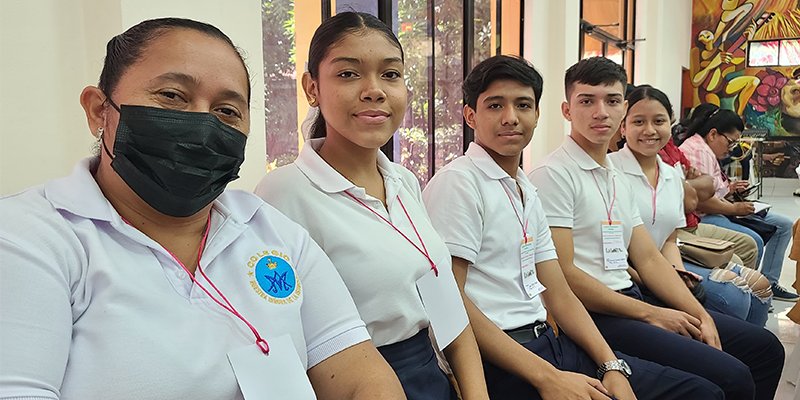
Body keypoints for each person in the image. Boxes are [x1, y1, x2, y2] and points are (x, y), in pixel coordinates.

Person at [0, 18, 406, 400]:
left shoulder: (271, 231)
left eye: (227, 111)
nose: (201, 124)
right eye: (172, 96)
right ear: (98, 110)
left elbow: (361, 376)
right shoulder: (30, 238)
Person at [423, 55, 723, 399]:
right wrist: (547, 377)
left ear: (537, 114)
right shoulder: (460, 183)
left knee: (702, 391)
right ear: (471, 116)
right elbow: (448, 301)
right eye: (495, 105)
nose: (511, 118)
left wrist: (610, 365)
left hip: (551, 341)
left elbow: (558, 290)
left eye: (523, 105)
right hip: (504, 357)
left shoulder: (522, 187)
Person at [255, 12, 488, 400]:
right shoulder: (283, 194)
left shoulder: (404, 182)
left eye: (391, 74)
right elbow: (277, 342)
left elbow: (445, 304)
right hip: (352, 383)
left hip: (430, 372)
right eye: (348, 74)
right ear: (312, 88)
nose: (374, 90)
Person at [529, 56, 784, 400]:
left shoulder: (615, 173)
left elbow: (648, 256)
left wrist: (696, 314)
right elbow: (564, 274)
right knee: (730, 377)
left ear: (622, 111)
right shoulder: (553, 175)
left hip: (632, 297)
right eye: (587, 101)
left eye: (613, 101)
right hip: (595, 313)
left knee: (765, 347)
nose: (600, 111)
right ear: (566, 110)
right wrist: (653, 313)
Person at [609, 85, 771, 326]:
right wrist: (666, 282)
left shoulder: (671, 174)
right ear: (623, 127)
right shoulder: (609, 172)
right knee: (735, 297)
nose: (650, 130)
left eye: (659, 121)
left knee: (761, 289)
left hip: (665, 265)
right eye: (639, 122)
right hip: (630, 276)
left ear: (670, 124)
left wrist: (679, 272)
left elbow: (669, 240)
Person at [679, 104, 798, 301]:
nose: (730, 148)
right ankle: (748, 293)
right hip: (706, 215)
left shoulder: (704, 149)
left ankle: (767, 284)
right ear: (713, 134)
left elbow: (712, 189)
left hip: (719, 208)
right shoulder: (697, 151)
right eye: (730, 142)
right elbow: (702, 201)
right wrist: (735, 208)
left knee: (783, 225)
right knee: (753, 241)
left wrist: (730, 190)